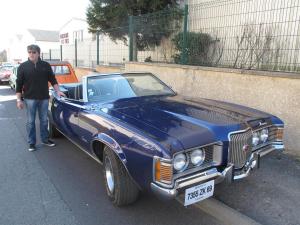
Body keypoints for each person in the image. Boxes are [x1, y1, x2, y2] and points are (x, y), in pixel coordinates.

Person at [16, 44, 65, 152]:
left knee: (44, 120)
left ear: (38, 53)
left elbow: (52, 79)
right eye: (29, 52)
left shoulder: (45, 65)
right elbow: (18, 84)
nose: (31, 54)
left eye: (34, 52)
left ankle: (45, 139)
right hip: (29, 99)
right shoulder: (23, 66)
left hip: (44, 98)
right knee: (30, 122)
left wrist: (58, 91)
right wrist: (19, 100)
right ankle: (31, 143)